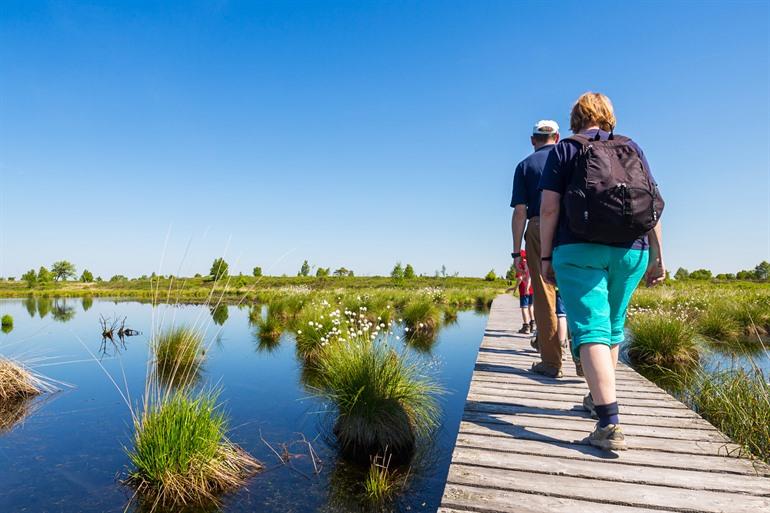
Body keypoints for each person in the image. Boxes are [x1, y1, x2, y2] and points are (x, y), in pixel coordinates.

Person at [539, 92, 665, 450]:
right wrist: (658, 256)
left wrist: (546, 258)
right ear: (609, 116)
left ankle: (609, 422)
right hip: (632, 250)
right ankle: (597, 399)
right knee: (611, 325)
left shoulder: (565, 149)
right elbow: (653, 204)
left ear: (575, 117)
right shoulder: (632, 148)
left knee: (591, 326)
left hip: (578, 249)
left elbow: (549, 209)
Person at [511, 119, 563, 378]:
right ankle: (583, 359)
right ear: (558, 136)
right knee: (577, 292)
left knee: (543, 294)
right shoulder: (572, 157)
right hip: (571, 227)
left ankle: (552, 363)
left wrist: (515, 252)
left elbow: (520, 212)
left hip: (538, 225)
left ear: (533, 139)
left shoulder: (524, 166)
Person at [515, 249, 535, 334]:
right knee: (531, 306)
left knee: (524, 307)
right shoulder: (530, 263)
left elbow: (520, 278)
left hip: (524, 289)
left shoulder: (520, 265)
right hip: (531, 288)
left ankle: (526, 326)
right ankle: (532, 323)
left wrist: (514, 287)